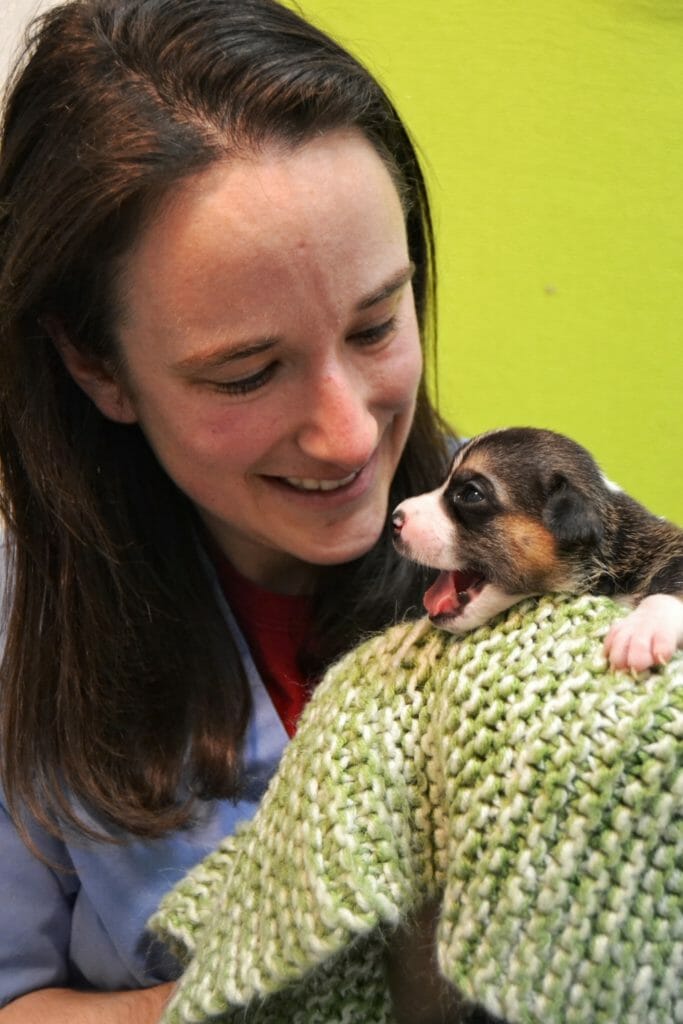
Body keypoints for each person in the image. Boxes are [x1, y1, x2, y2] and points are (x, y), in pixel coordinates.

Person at [0, 0, 456, 1019]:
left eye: (376, 324)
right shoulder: (17, 623)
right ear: (95, 364)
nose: (345, 436)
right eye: (248, 374)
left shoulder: (551, 538)